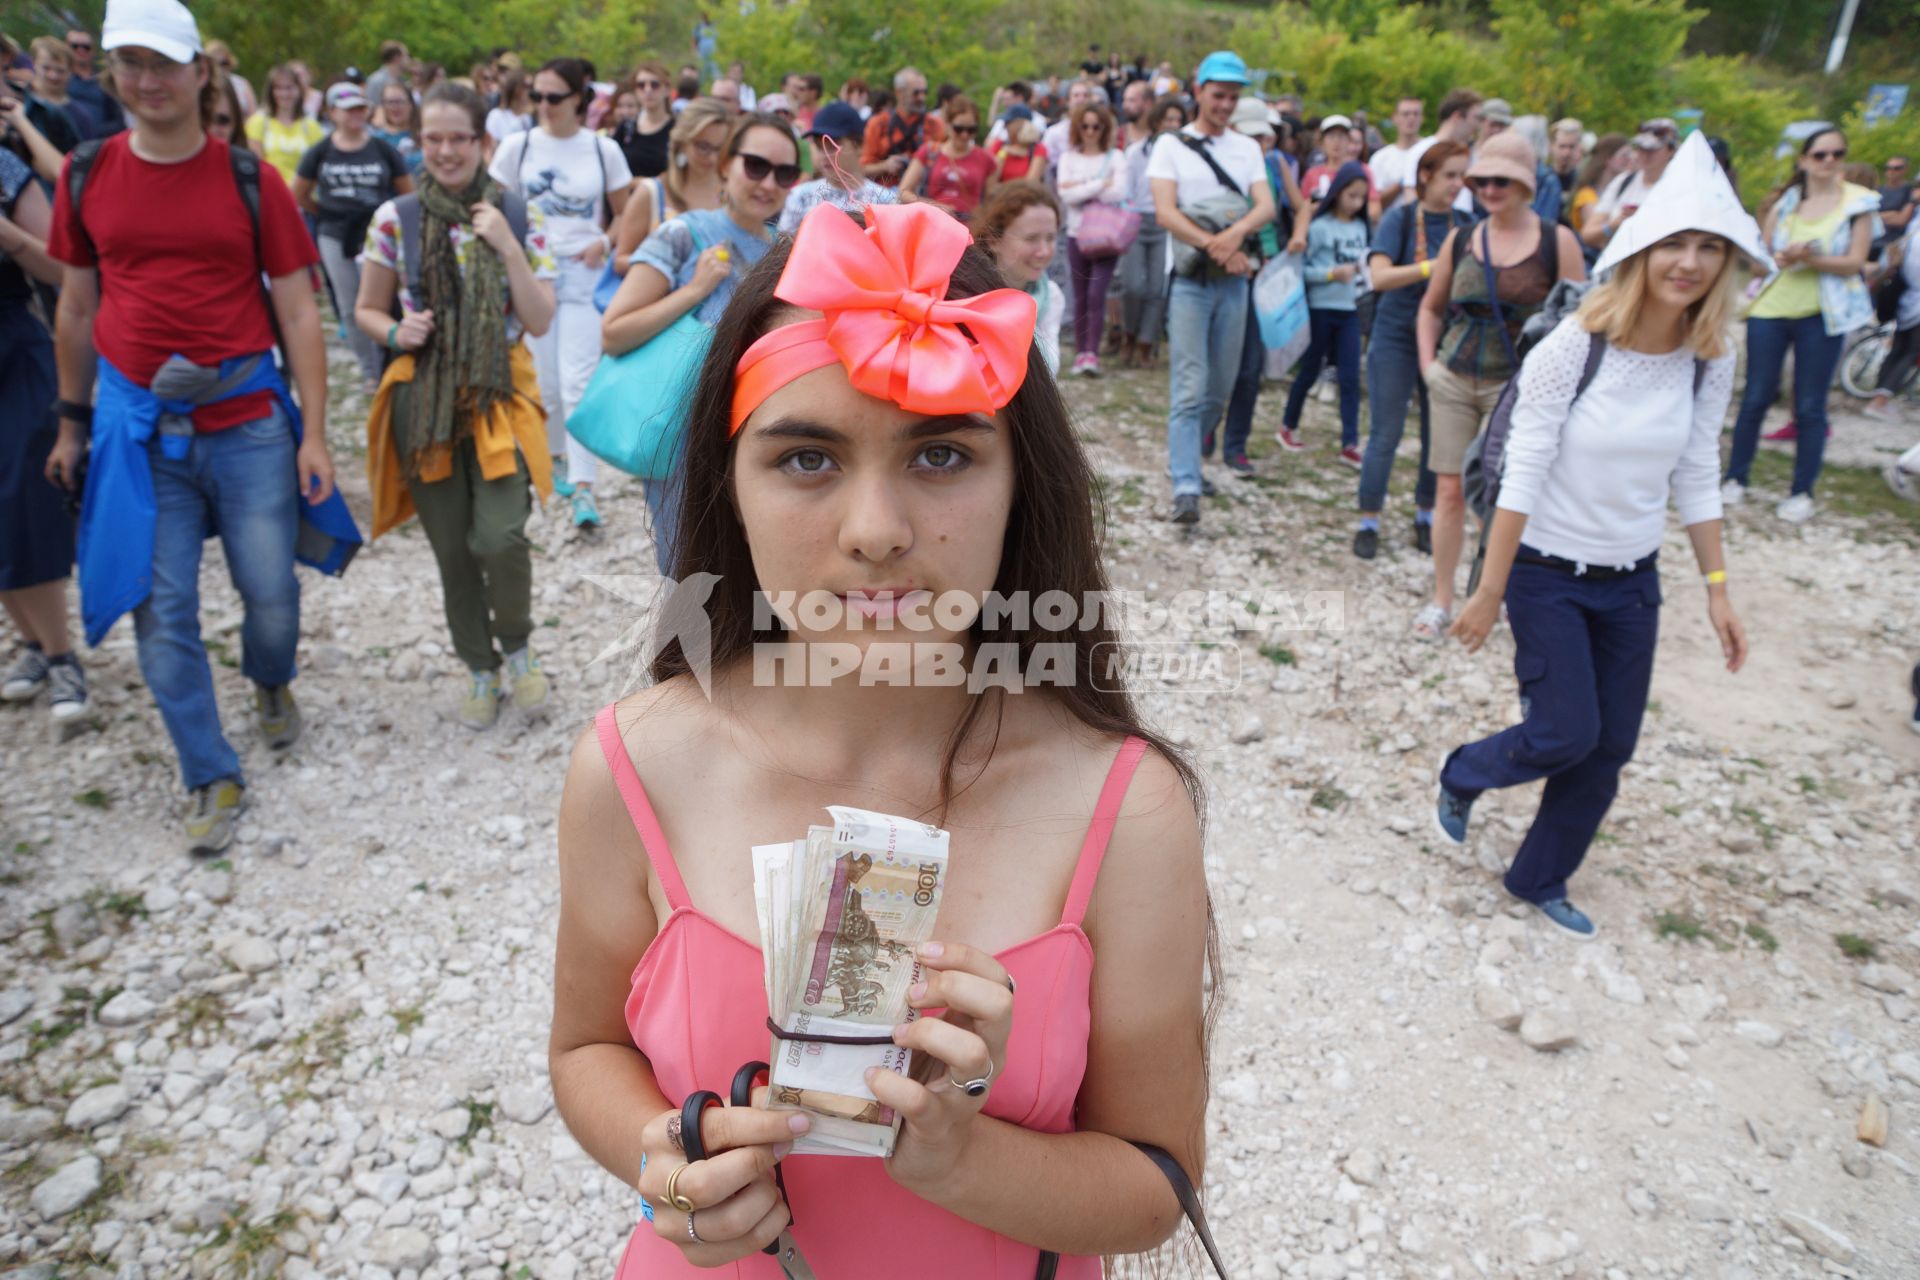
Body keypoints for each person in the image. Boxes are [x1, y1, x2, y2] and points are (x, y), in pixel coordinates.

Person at [550, 197, 1210, 1279]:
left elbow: (1156, 1182)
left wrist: (963, 1157)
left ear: (1018, 483)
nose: (875, 532)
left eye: (941, 456)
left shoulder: (1123, 804)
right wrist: (667, 1165)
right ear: (729, 484)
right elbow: (585, 1051)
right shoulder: (635, 763)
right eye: (806, 458)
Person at [46, 0, 358, 855]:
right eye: (130, 64)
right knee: (164, 608)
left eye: (163, 64)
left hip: (247, 420)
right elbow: (76, 305)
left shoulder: (247, 178)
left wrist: (316, 434)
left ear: (198, 74)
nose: (146, 81)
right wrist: (72, 425)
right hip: (140, 431)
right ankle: (208, 770)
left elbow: (299, 310)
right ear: (113, 72)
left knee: (271, 593)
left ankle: (269, 679)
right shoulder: (85, 172)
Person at [1438, 132, 1759, 937]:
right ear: (1643, 250)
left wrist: (1718, 590)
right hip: (1547, 570)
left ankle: (1539, 877)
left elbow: (1694, 470)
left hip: (1632, 581)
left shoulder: (1707, 355)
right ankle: (1467, 771)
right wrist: (1488, 590)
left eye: (1709, 248)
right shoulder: (1575, 344)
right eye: (1674, 244)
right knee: (1562, 732)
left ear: (1726, 262)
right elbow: (1524, 471)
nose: (1688, 261)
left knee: (1609, 747)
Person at [356, 82, 560, 730]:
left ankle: (519, 647)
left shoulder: (521, 216)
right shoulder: (397, 219)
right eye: (433, 139)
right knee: (451, 546)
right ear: (419, 143)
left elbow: (540, 318)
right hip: (427, 398)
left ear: (483, 143)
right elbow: (364, 307)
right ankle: (480, 667)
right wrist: (394, 332)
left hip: (499, 392)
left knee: (499, 536)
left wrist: (506, 246)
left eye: (458, 138)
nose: (445, 151)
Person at [602, 111, 799, 572]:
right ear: (726, 164)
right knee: (691, 574)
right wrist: (693, 291)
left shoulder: (785, 250)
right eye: (755, 165)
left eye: (784, 172)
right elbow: (614, 332)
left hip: (759, 439)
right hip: (685, 443)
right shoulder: (682, 235)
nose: (768, 182)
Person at [1414, 132, 1585, 639]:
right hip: (1453, 377)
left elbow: (1581, 320)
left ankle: (1496, 591)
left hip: (1519, 389)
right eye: (1482, 179)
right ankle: (1442, 598)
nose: (1490, 188)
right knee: (1448, 492)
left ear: (1526, 184)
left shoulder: (1559, 242)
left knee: (1503, 491)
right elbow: (1431, 305)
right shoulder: (1462, 238)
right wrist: (1428, 366)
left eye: (1502, 180)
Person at [489, 56, 633, 530]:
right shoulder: (517, 146)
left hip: (582, 273)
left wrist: (606, 241)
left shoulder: (602, 150)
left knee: (578, 378)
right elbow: (493, 205)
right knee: (543, 377)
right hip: (532, 275)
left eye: (554, 97)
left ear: (579, 98)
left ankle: (586, 484)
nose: (543, 106)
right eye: (536, 96)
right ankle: (551, 460)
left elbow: (626, 211)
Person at [1720, 128, 1878, 524]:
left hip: (1822, 314)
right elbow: (1760, 260)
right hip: (1771, 308)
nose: (1829, 161)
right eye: (1821, 154)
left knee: (1810, 405)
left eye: (1837, 154)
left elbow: (1856, 261)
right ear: (1805, 160)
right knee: (1755, 397)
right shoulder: (1785, 203)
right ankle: (1735, 478)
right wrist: (1780, 258)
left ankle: (1801, 491)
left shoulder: (1858, 205)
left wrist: (1812, 259)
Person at [1147, 50, 1274, 525]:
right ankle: (1185, 481)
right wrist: (1215, 244)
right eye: (1218, 95)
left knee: (1219, 387)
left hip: (1233, 281)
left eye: (1233, 97)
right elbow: (1165, 211)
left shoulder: (1246, 149)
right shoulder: (1170, 146)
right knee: (1188, 383)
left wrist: (1230, 238)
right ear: (1198, 91)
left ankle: (1188, 456)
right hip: (1190, 280)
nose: (1224, 104)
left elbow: (1264, 206)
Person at [0, 141, 87, 726]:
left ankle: (61, 654)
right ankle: (31, 642)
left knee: (22, 498)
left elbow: (62, 267)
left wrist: (3, 233)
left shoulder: (4, 167)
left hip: (10, 349)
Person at [1354, 140, 1471, 559]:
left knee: (1436, 436)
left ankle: (1425, 515)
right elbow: (1379, 277)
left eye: (1463, 176)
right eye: (1451, 175)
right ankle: (1369, 519)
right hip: (1394, 335)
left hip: (1447, 338)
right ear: (1426, 176)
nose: (1459, 184)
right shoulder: (1400, 219)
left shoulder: (1467, 222)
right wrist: (1431, 268)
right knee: (1385, 431)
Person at [293, 82, 413, 393]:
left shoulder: (382, 150)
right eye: (347, 110)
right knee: (349, 304)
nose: (355, 116)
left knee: (384, 302)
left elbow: (407, 193)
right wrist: (324, 212)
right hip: (335, 232)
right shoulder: (320, 151)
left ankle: (392, 359)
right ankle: (371, 370)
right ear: (332, 113)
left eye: (360, 109)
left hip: (377, 234)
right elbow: (299, 192)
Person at [1276, 162, 1371, 466]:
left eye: (1362, 197)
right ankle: (1288, 425)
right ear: (1338, 192)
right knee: (1309, 370)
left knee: (1349, 376)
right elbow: (1302, 270)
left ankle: (1350, 442)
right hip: (1320, 308)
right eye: (1351, 195)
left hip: (1350, 310)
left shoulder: (1360, 227)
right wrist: (1331, 274)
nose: (1356, 203)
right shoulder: (1318, 228)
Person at [612, 97, 729, 274]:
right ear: (682, 142)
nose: (712, 157)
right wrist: (670, 265)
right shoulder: (652, 192)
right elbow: (620, 261)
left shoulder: (732, 194)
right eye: (703, 147)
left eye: (720, 148)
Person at [1057, 100, 1125, 377]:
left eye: (1096, 126)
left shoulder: (1116, 157)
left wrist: (1081, 187)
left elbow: (1118, 193)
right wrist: (1099, 184)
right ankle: (1081, 350)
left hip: (1106, 236)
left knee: (1097, 294)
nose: (1090, 131)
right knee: (1080, 295)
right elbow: (1066, 195)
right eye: (1085, 126)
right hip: (1076, 233)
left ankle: (1091, 352)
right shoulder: (1068, 158)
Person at [1117, 94, 1184, 369]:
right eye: (1168, 119)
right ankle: (1128, 334)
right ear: (1157, 122)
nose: (1173, 125)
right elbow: (1125, 191)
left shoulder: (1185, 155)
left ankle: (1145, 343)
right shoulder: (1136, 152)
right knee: (1133, 285)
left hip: (1167, 224)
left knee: (1158, 288)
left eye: (1178, 120)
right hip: (1137, 221)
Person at [975, 180, 1066, 375]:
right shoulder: (967, 296)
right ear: (994, 241)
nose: (1044, 251)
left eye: (1050, 238)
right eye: (1031, 239)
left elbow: (1048, 370)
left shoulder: (1051, 296)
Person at [777, 99, 897, 233]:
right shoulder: (800, 196)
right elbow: (783, 249)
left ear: (859, 145)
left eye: (833, 146)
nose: (825, 154)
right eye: (819, 146)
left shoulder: (884, 201)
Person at [1583, 119, 1677, 252]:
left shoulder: (1678, 188)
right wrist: (1613, 225)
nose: (1644, 154)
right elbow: (1587, 234)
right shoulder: (1623, 181)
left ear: (1670, 150)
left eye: (1652, 149)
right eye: (1641, 147)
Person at [900, 95, 994, 224]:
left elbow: (991, 202)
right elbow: (903, 192)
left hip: (970, 232)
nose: (964, 135)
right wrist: (934, 206)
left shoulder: (985, 158)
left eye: (971, 130)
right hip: (932, 225)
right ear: (948, 125)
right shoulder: (929, 151)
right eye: (959, 129)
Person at [1863, 217, 1920, 423]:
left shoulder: (1915, 226)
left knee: (1897, 349)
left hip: (1906, 300)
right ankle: (1880, 401)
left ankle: (1878, 394)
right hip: (1915, 302)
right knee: (1910, 352)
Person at [862, 66, 941, 187]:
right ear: (899, 93)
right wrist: (885, 166)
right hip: (886, 194)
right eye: (916, 93)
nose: (922, 97)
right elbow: (862, 169)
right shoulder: (878, 124)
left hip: (922, 193)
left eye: (924, 92)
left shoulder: (934, 124)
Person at [246, 63, 323, 185]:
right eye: (279, 88)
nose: (284, 94)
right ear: (271, 91)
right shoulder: (258, 123)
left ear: (299, 90)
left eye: (289, 88)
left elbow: (318, 168)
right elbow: (257, 165)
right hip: (270, 193)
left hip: (301, 197)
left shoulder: (311, 126)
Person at [610, 62, 674, 179]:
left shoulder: (678, 129)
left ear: (667, 89)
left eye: (654, 84)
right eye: (641, 85)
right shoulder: (626, 128)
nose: (647, 90)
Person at [1568, 133, 1629, 248]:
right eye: (1624, 155)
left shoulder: (1622, 191)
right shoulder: (1586, 195)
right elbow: (1596, 240)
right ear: (1608, 159)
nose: (1629, 159)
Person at [64, 28, 125, 139]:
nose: (81, 50)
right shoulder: (58, 79)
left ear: (93, 51)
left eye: (86, 47)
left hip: (96, 143)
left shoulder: (105, 81)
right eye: (75, 46)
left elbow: (118, 119)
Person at [28, 38, 91, 145]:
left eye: (60, 71)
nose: (53, 76)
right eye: (46, 68)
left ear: (70, 72)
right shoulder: (18, 101)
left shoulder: (80, 115)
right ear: (34, 63)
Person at [373, 80, 423, 176]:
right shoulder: (377, 140)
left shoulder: (425, 135)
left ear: (411, 104)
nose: (394, 107)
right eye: (389, 102)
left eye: (399, 101)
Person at [989, 113, 1045, 184]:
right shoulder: (1000, 144)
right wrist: (1003, 152)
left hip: (1025, 192)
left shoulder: (1037, 148)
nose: (1005, 126)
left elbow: (1032, 182)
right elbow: (992, 176)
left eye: (1008, 123)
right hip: (1000, 191)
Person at [1874, 155, 1913, 255]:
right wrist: (1892, 214)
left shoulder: (1910, 191)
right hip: (1874, 241)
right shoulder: (1877, 191)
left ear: (1905, 170)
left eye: (1897, 168)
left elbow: (1901, 220)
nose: (1892, 171)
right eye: (1888, 168)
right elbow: (1869, 217)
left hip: (1896, 245)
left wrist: (1878, 216)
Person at [486, 70, 532, 143]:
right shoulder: (496, 115)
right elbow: (490, 147)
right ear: (515, 88)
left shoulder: (527, 118)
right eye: (526, 86)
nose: (530, 91)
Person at [364, 39, 409, 111]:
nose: (408, 60)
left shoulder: (402, 80)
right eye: (406, 56)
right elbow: (371, 109)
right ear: (396, 58)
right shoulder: (376, 81)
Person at [1548, 118, 1584, 206]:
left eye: (1571, 147)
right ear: (1552, 147)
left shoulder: (1582, 182)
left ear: (1579, 148)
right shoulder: (1541, 181)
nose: (1566, 153)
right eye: (1562, 146)